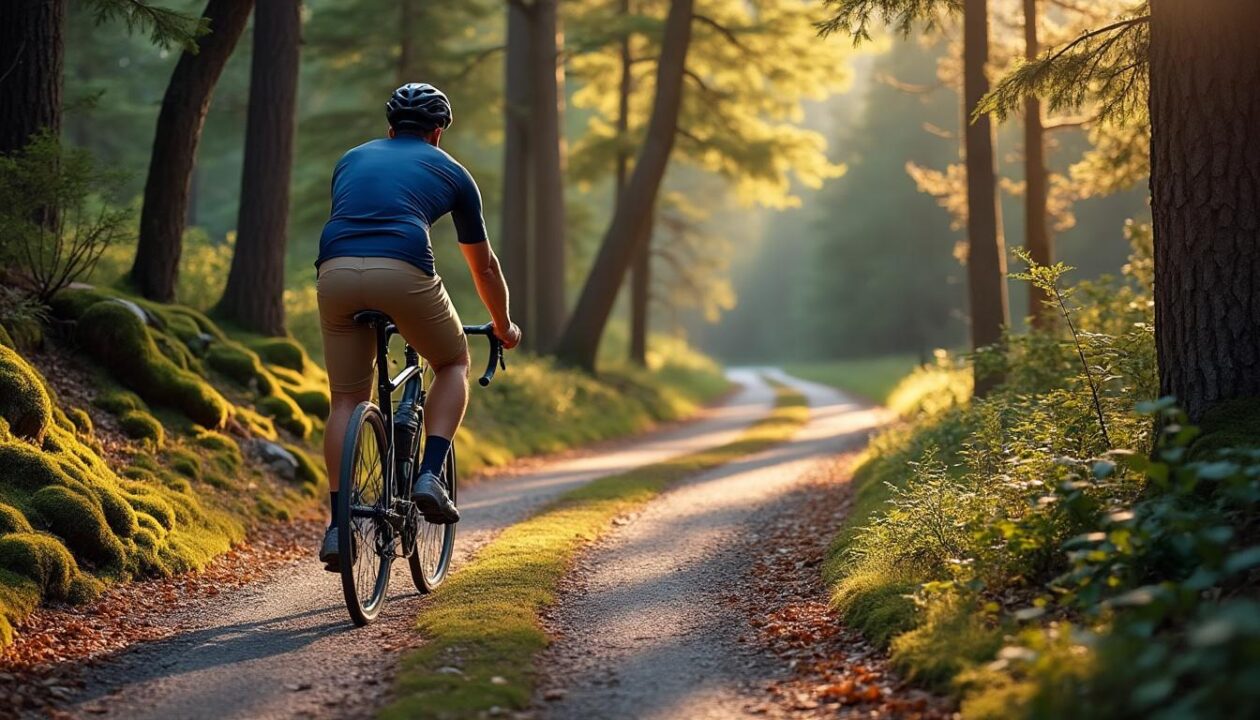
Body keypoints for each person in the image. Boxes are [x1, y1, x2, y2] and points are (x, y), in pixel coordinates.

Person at [315, 83, 521, 569]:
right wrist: (503, 325)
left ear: (390, 129)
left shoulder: (351, 159)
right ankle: (430, 474)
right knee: (452, 361)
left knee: (347, 399)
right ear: (437, 134)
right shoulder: (452, 172)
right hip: (403, 269)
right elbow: (484, 266)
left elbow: (354, 218)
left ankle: (340, 527)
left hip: (334, 270)